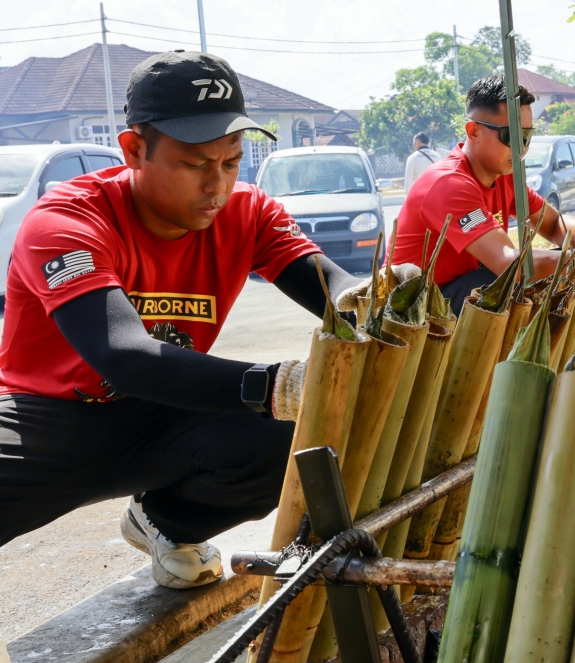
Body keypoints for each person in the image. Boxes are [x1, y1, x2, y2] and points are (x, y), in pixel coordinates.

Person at [0, 51, 363, 590]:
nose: (216, 185)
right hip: (51, 420)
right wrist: (275, 384)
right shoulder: (67, 220)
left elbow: (333, 291)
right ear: (133, 149)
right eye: (194, 164)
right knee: (280, 404)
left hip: (169, 411)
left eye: (231, 161)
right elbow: (124, 355)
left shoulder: (249, 211)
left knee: (293, 438)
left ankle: (165, 523)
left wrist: (370, 296)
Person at [386, 75, 575, 316]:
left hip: (461, 290)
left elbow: (552, 224)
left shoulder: (505, 175)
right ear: (473, 131)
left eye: (526, 137)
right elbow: (508, 263)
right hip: (415, 307)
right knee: (510, 279)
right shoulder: (449, 183)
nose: (521, 149)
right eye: (510, 137)